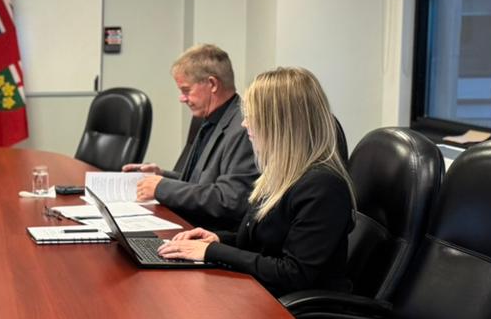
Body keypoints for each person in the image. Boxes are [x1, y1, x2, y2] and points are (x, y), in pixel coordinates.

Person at [158, 67, 355, 297]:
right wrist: (217, 239)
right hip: (260, 292)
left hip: (291, 310)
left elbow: (293, 274)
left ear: (279, 123)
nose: (244, 124)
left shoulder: (323, 187)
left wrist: (212, 251)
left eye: (252, 116)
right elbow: (261, 244)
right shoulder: (280, 173)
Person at [122, 43, 258, 230]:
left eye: (186, 90)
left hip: (212, 235)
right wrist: (162, 175)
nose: (182, 98)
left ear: (212, 84)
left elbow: (231, 199)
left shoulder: (243, 128)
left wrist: (162, 187)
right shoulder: (212, 118)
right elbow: (201, 181)